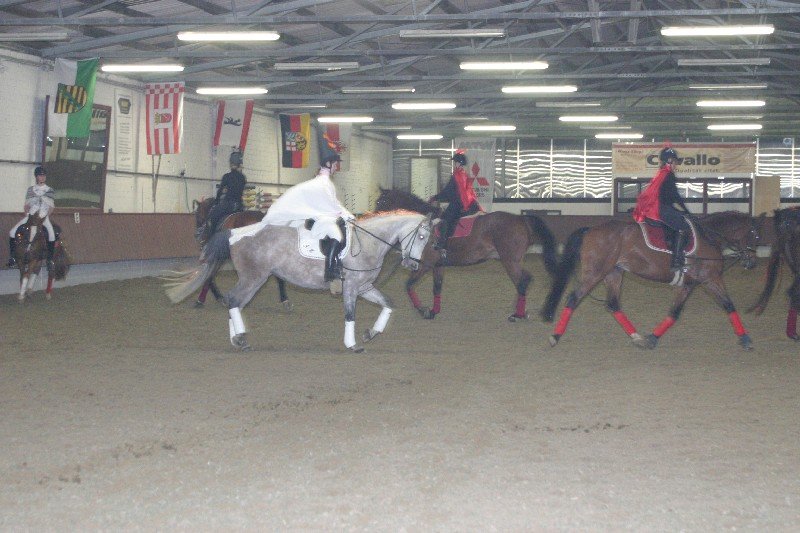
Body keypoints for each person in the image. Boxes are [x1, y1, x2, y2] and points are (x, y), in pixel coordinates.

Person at [262, 148, 353, 292]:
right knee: (336, 235)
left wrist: (349, 215)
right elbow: (331, 205)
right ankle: (330, 272)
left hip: (326, 216)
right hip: (321, 218)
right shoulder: (322, 183)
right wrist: (345, 215)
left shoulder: (326, 182)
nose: (336, 167)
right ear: (328, 164)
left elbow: (335, 203)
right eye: (335, 164)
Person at [632, 146, 691, 271]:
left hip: (663, 207)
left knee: (679, 219)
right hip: (662, 209)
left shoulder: (662, 173)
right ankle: (676, 262)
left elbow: (669, 197)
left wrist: (680, 210)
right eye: (675, 161)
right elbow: (675, 196)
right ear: (669, 161)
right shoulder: (668, 174)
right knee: (684, 227)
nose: (676, 165)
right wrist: (686, 211)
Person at [429, 149, 481, 258]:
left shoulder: (457, 175)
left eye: (455, 162)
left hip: (458, 204)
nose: (454, 164)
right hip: (464, 202)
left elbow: (448, 191)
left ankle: (442, 245)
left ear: (459, 163)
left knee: (445, 220)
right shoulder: (462, 174)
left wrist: (435, 197)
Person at [7, 166, 56, 269]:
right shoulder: (30, 190)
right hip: (31, 216)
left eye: (44, 175)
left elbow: (51, 207)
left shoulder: (50, 190)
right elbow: (26, 206)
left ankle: (49, 260)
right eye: (40, 175)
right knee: (12, 232)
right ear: (36, 177)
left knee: (51, 235)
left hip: (43, 217)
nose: (42, 177)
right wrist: (27, 215)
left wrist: (45, 217)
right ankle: (13, 257)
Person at [203, 149, 247, 238]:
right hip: (239, 206)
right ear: (239, 164)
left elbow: (220, 191)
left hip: (228, 205)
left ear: (231, 164)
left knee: (212, 216)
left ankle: (211, 238)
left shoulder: (227, 176)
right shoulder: (243, 177)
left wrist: (216, 202)